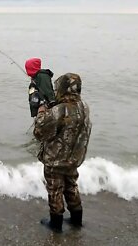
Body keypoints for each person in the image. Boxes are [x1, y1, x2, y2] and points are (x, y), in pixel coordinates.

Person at [33, 73, 92, 233]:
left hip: (55, 160)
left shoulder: (59, 110)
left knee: (55, 189)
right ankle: (76, 219)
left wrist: (41, 111)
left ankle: (56, 223)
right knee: (71, 186)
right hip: (74, 158)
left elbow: (39, 132)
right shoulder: (84, 106)